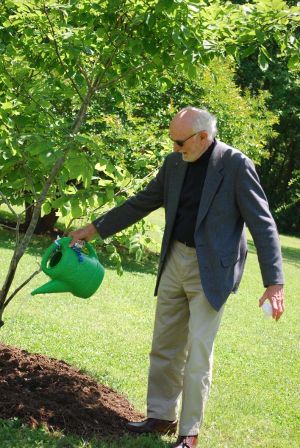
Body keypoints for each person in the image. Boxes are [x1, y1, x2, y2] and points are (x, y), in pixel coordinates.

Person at [69, 107, 285, 448]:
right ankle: (161, 416)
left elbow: (262, 223)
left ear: (203, 137)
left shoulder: (235, 165)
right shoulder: (174, 165)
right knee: (165, 344)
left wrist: (274, 282)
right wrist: (93, 230)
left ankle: (189, 433)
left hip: (212, 268)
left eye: (179, 141)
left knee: (198, 350)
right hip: (175, 259)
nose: (174, 148)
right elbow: (141, 203)